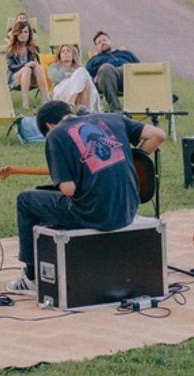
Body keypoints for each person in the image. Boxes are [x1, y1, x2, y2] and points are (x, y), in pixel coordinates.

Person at [12, 100, 165, 291]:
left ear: (48, 126)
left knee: (25, 200)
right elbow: (158, 135)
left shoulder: (55, 135)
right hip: (128, 209)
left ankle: (31, 277)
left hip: (95, 214)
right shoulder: (113, 118)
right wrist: (134, 159)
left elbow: (69, 190)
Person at [85, 31, 140, 112]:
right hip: (107, 78)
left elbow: (141, 67)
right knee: (106, 68)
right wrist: (94, 79)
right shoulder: (93, 60)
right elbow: (86, 77)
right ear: (97, 47)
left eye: (104, 40)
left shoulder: (126, 53)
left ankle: (157, 103)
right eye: (99, 42)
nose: (102, 43)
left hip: (129, 75)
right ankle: (116, 109)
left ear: (110, 41)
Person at [6, 21, 48, 110]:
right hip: (15, 77)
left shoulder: (34, 48)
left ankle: (45, 99)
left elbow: (40, 63)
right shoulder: (11, 49)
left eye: (26, 32)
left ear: (29, 34)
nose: (23, 34)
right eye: (20, 32)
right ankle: (25, 102)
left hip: (31, 78)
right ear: (16, 34)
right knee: (27, 69)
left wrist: (35, 64)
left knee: (38, 67)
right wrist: (25, 65)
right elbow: (11, 66)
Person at [48, 44, 100, 113]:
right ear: (59, 55)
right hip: (60, 92)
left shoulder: (78, 68)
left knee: (86, 83)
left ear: (73, 55)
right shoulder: (54, 66)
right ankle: (72, 102)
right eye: (63, 51)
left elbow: (88, 80)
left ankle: (82, 111)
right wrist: (71, 75)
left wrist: (73, 76)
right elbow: (55, 77)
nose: (66, 53)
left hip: (77, 92)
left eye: (68, 51)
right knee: (81, 72)